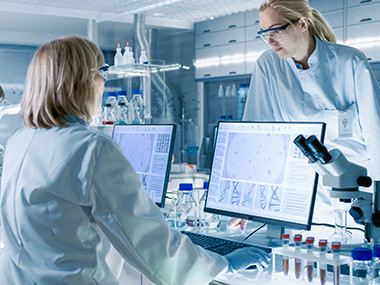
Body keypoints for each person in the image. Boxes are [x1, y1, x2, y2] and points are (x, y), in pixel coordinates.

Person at [0, 35, 269, 284]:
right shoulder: (91, 149)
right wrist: (224, 264)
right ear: (83, 82)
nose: (103, 84)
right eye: (101, 73)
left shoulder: (19, 141)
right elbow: (148, 243)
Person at [243, 0, 380, 226]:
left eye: (276, 31)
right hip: (301, 202)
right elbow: (257, 133)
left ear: (303, 24)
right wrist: (248, 203)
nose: (269, 41)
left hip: (356, 195)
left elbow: (376, 134)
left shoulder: (350, 62)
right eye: (263, 33)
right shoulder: (268, 66)